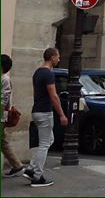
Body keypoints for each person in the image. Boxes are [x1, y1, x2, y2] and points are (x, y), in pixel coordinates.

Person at [22, 47, 68, 187]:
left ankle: (31, 168)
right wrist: (61, 114)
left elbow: (37, 93)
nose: (59, 59)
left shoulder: (37, 73)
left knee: (49, 140)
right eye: (58, 57)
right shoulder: (48, 75)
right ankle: (37, 176)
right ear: (52, 57)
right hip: (44, 112)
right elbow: (53, 95)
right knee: (44, 144)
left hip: (36, 110)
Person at [1, 54, 25, 177]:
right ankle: (17, 166)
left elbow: (4, 100)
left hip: (1, 116)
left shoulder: (4, 79)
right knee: (3, 142)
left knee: (3, 141)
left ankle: (18, 166)